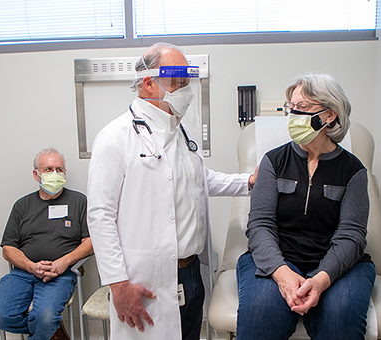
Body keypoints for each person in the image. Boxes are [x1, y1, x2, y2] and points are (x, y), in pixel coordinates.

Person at [87, 42, 257, 340]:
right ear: (149, 83)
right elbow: (100, 216)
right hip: (146, 278)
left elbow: (201, 180)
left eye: (186, 81)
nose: (185, 88)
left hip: (190, 274)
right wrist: (118, 284)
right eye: (176, 81)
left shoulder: (180, 131)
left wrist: (248, 182)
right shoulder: (115, 137)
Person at [236, 74, 376, 340]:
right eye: (291, 107)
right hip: (279, 258)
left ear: (330, 115)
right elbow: (260, 225)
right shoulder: (273, 162)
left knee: (339, 318)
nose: (293, 114)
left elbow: (352, 235)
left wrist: (321, 279)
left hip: (338, 264)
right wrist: (283, 274)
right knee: (261, 314)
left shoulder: (353, 171)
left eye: (304, 108)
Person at [0, 148, 93, 340]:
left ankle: (47, 325)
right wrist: (30, 266)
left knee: (45, 317)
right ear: (36, 175)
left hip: (59, 273)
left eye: (59, 169)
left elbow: (90, 242)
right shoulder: (22, 205)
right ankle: (52, 329)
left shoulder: (79, 201)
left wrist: (63, 262)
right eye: (48, 169)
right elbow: (8, 248)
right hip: (23, 272)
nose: (55, 174)